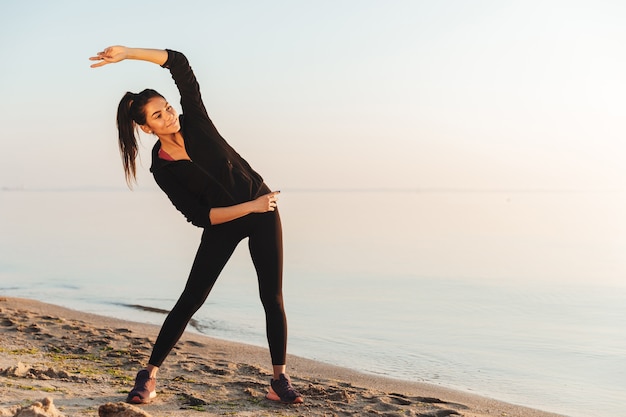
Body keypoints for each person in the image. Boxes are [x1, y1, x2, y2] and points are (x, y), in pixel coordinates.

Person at [89, 46, 303, 405]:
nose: (169, 116)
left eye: (168, 107)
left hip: (263, 210)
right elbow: (199, 217)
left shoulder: (196, 121)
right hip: (229, 219)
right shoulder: (163, 168)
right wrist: (250, 206)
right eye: (158, 115)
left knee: (272, 297)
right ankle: (149, 375)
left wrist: (127, 53)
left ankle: (279, 380)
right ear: (145, 128)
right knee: (191, 299)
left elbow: (180, 64)